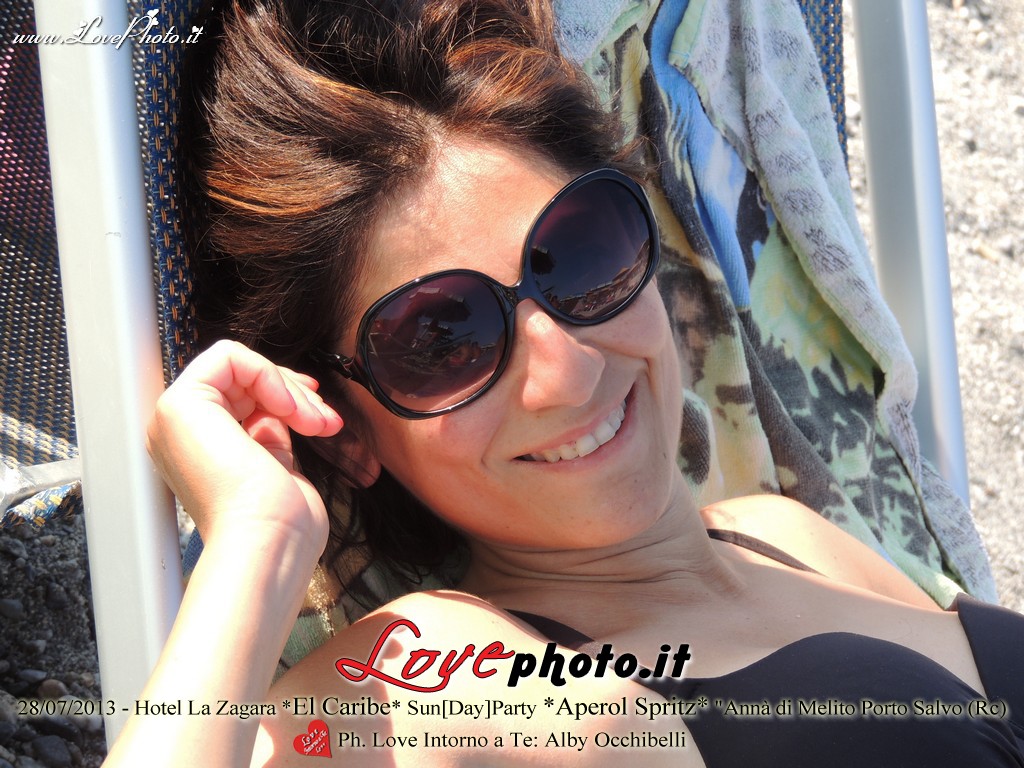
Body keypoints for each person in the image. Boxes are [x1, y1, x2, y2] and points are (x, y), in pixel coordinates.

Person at [103, 0, 1023, 766]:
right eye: (443, 339)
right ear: (341, 426)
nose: (571, 369)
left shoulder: (785, 533)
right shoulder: (446, 674)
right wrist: (257, 541)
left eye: (579, 254)